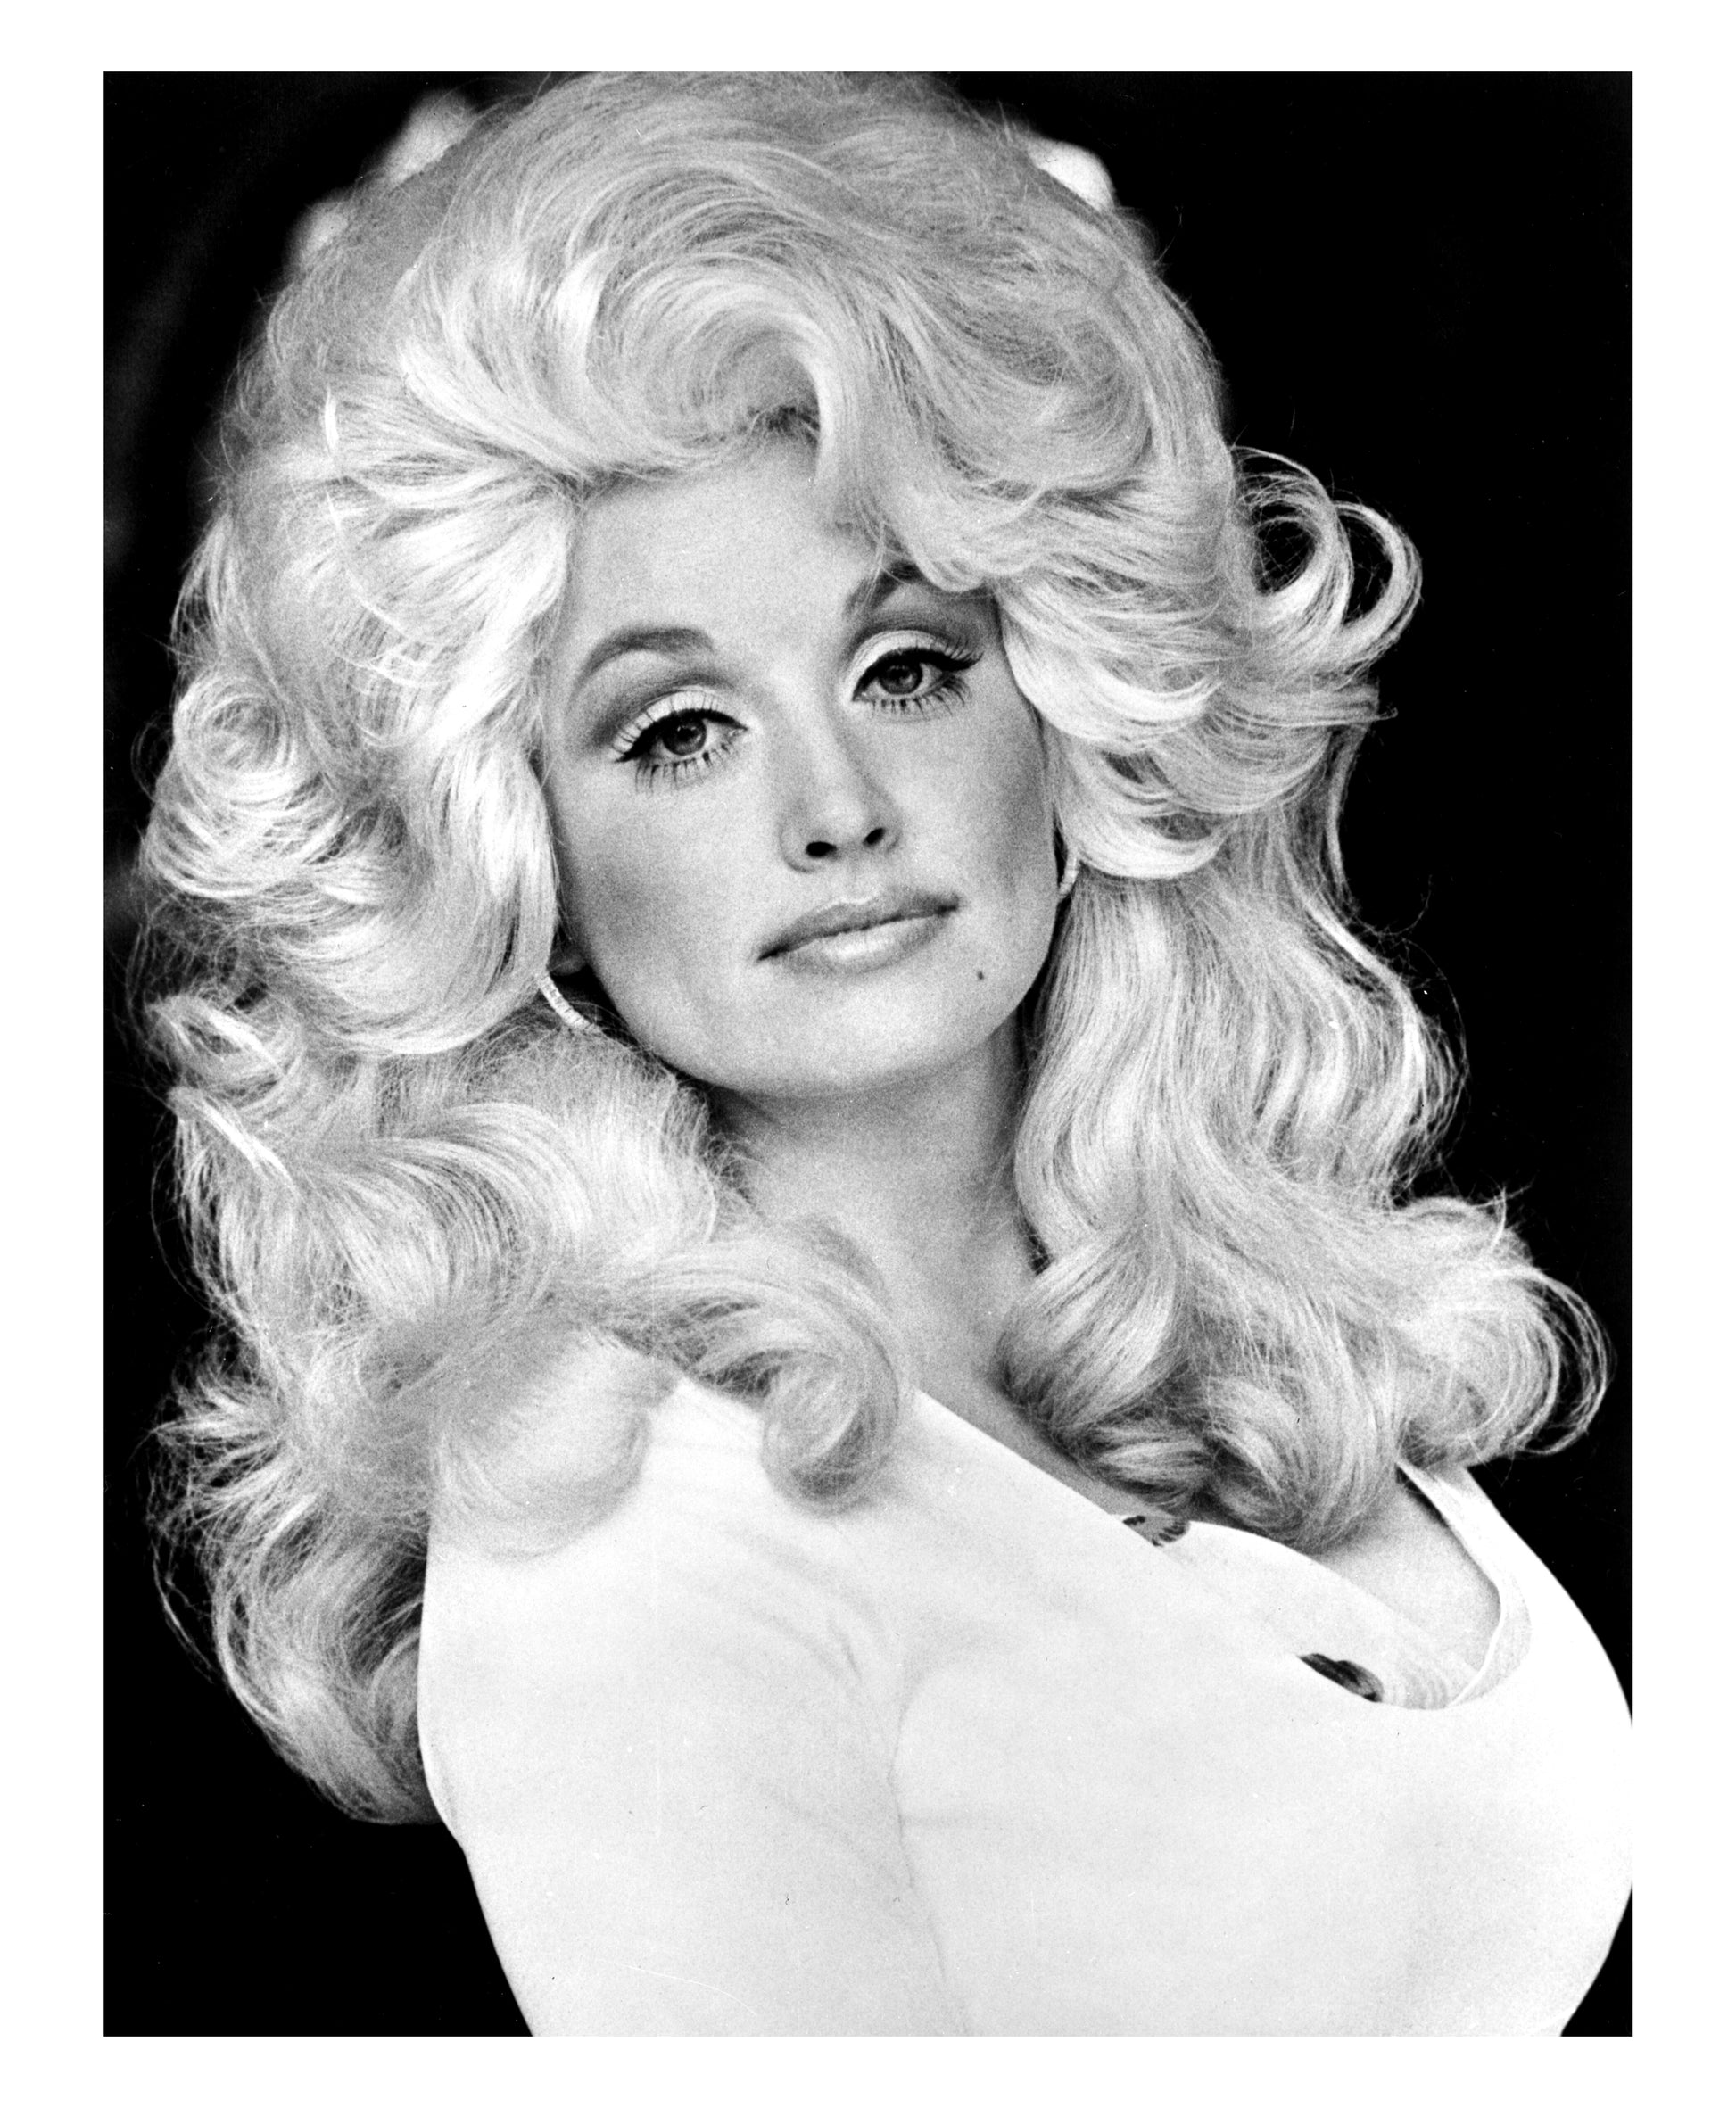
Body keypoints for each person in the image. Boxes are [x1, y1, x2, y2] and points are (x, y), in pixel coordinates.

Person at [138, 72, 1629, 2035]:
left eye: (906, 667)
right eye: (680, 731)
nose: (835, 808)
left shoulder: (1231, 1312)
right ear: (520, 865)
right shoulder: (630, 1545)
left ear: (1071, 705)